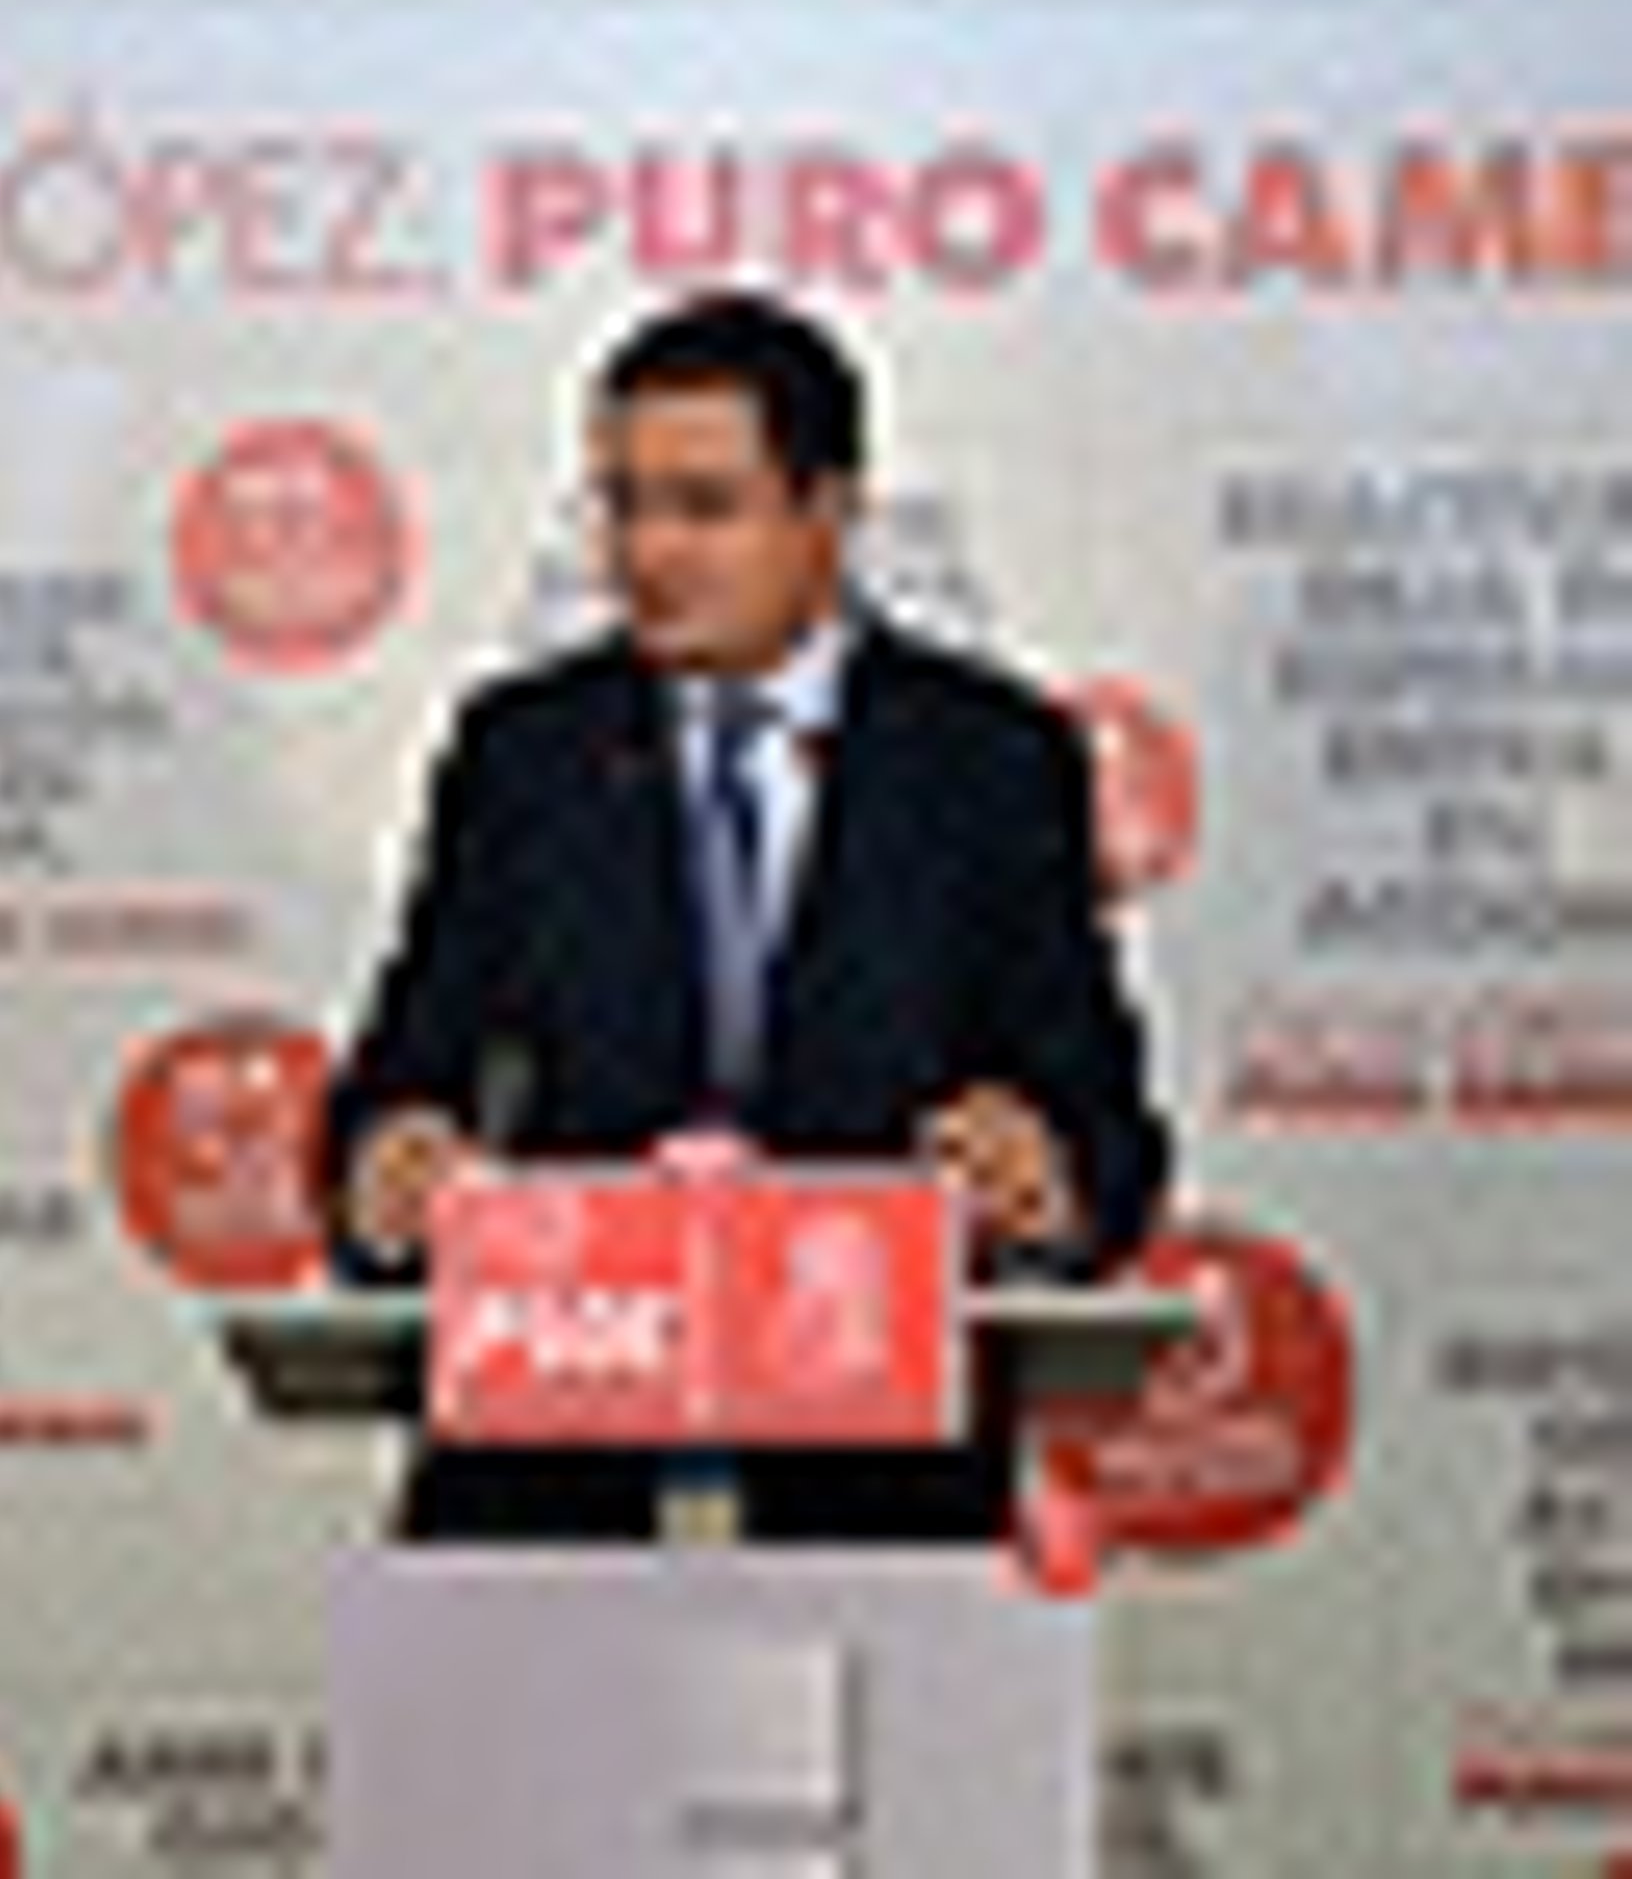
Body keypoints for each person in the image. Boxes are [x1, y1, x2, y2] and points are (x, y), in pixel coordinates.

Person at [321, 288, 1170, 1541]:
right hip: (554, 1485)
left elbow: (1104, 1129)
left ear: (828, 513)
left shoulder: (989, 760)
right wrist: (388, 1165)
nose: (650, 553)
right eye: (623, 505)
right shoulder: (525, 753)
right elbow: (402, 1077)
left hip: (875, 1496)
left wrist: (1046, 1177)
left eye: (704, 507)